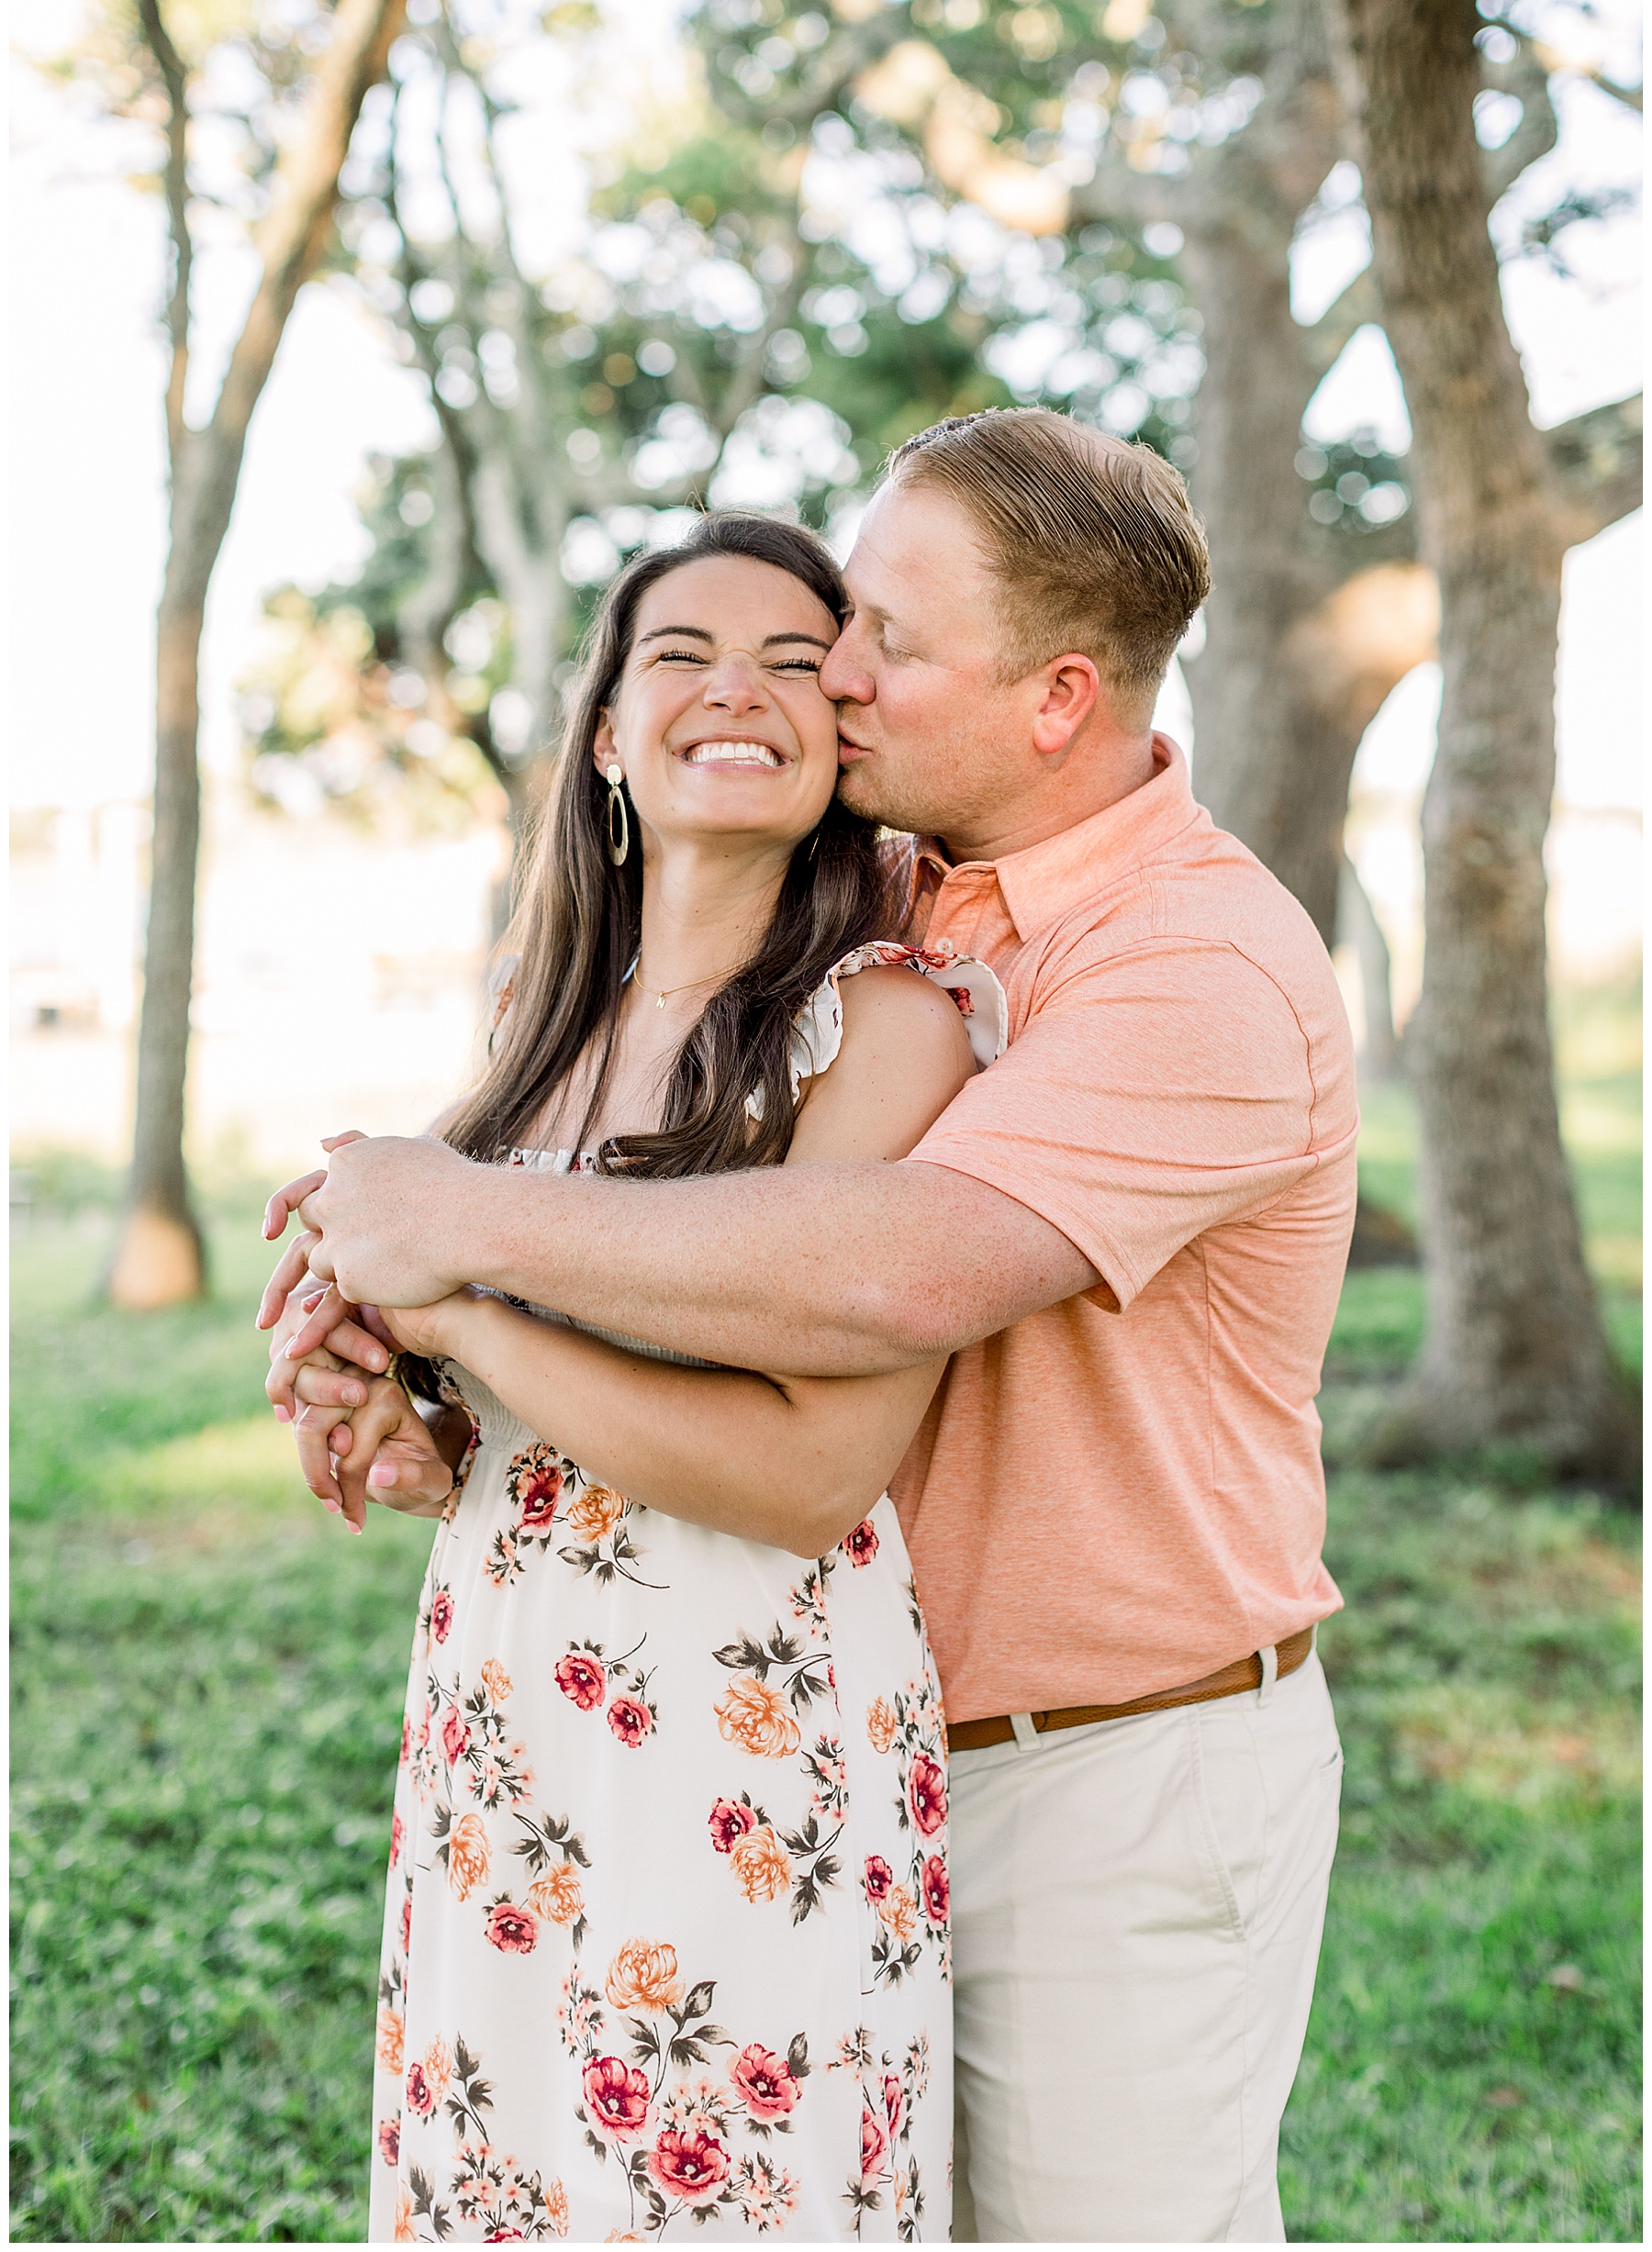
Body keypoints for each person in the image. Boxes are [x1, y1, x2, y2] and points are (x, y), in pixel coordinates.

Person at [266, 409, 1359, 2244]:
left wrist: (455, 1240)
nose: (834, 675)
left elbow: (894, 1270)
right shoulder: (890, 892)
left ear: (1058, 699)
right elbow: (663, 1256)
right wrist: (409, 1363)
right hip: (839, 1736)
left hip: (1108, 1770)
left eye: (883, 640)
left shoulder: (1199, 964)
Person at [285, 512, 1007, 2242]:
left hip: (743, 1722)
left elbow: (810, 1476)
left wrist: (461, 1320)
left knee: (718, 2188)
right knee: (516, 2165)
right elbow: (520, 1416)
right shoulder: (542, 1021)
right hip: (511, 1698)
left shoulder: (886, 1023)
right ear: (609, 733)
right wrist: (402, 1403)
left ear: (844, 740)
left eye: (791, 662)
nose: (734, 689)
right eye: (682, 654)